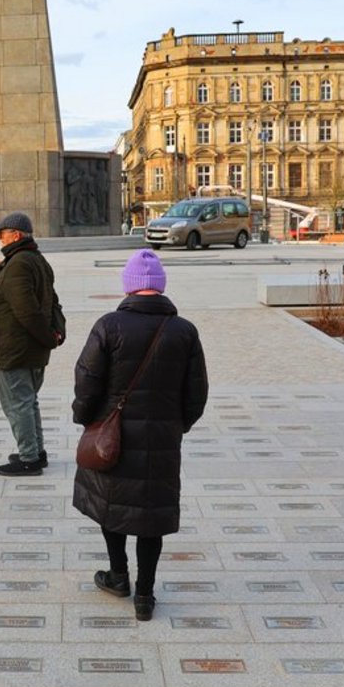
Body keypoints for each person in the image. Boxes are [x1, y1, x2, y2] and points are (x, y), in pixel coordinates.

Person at [72, 249, 208, 620]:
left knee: (111, 506)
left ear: (129, 287)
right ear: (160, 288)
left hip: (112, 436)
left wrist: (84, 418)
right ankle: (145, 597)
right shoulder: (184, 331)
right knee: (151, 515)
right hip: (162, 440)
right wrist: (177, 426)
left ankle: (118, 577)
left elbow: (87, 380)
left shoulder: (109, 326)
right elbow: (197, 393)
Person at [0, 210, 64, 476]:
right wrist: (54, 333)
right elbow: (53, 302)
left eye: (2, 235)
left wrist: (49, 337)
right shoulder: (35, 260)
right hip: (30, 348)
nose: (0, 240)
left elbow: (27, 311)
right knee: (28, 401)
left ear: (15, 235)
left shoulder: (18, 264)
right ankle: (36, 452)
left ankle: (29, 458)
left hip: (17, 349)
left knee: (18, 403)